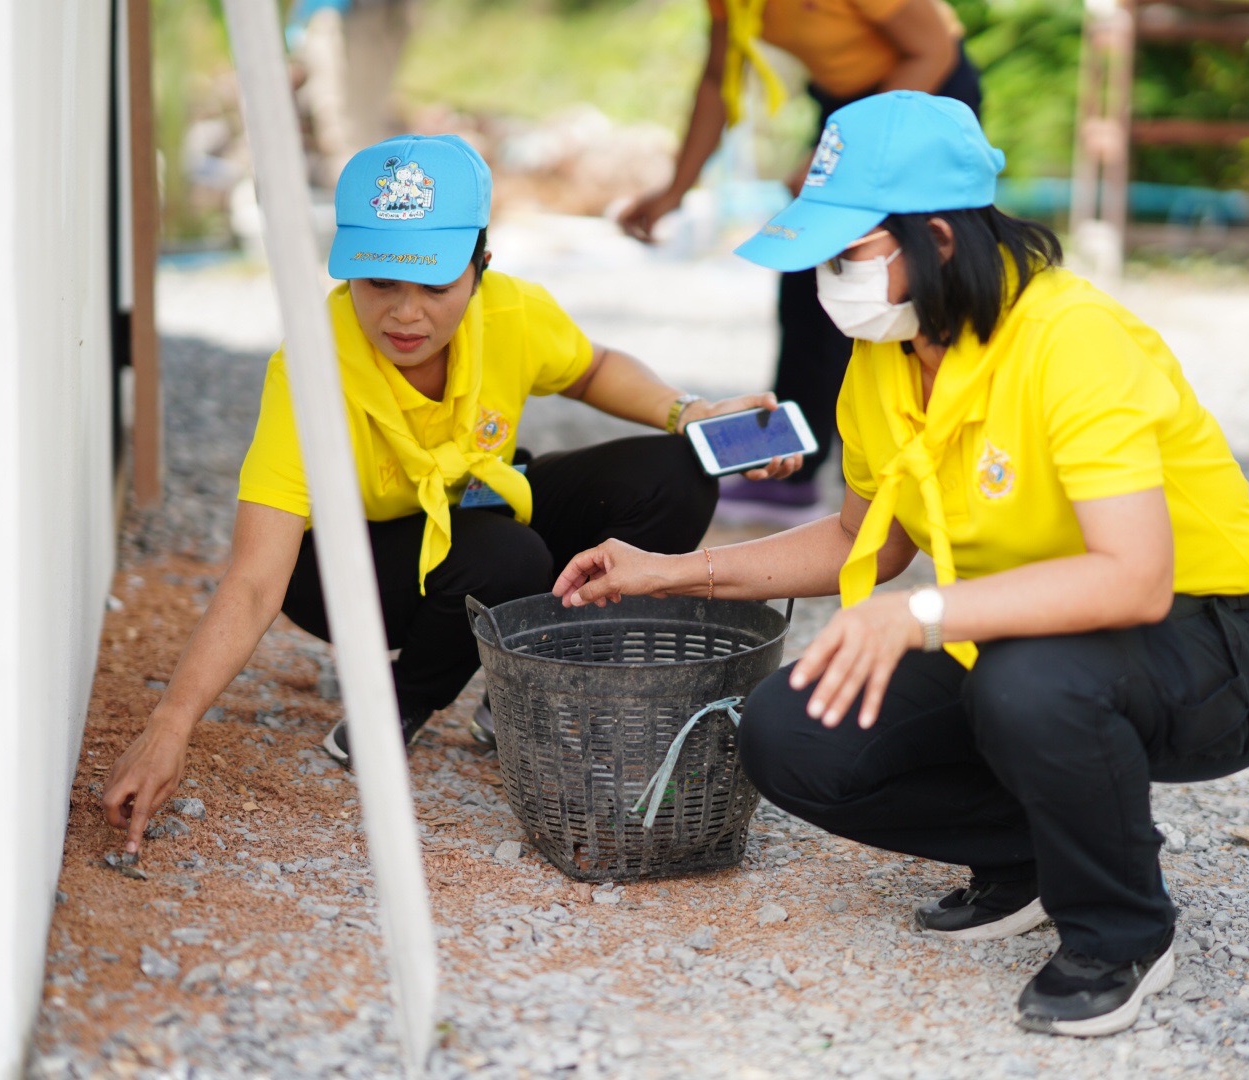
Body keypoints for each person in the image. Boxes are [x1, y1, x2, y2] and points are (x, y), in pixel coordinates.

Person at [555, 93, 1249, 1036]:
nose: (828, 282)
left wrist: (920, 617)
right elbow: (866, 541)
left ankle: (1121, 930)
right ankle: (1035, 855)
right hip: (1030, 637)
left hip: (1218, 642)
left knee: (1024, 680)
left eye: (847, 255)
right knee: (792, 730)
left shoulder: (1072, 339)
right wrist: (671, 571)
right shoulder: (883, 352)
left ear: (938, 238)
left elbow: (1132, 577)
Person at [103, 134, 798, 854]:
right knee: (506, 556)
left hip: (475, 512)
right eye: (379, 282)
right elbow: (254, 580)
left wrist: (689, 412)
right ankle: (397, 705)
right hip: (346, 568)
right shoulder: (310, 369)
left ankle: (521, 684)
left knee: (676, 472)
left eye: (435, 286)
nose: (405, 314)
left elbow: (591, 369)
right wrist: (169, 726)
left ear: (480, 268)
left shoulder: (511, 314)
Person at [619, 0, 982, 511]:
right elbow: (718, 82)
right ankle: (791, 470)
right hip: (844, 108)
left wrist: (847, 151)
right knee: (810, 281)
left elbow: (932, 50)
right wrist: (677, 188)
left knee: (905, 281)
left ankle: (949, 457)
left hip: (925, 94)